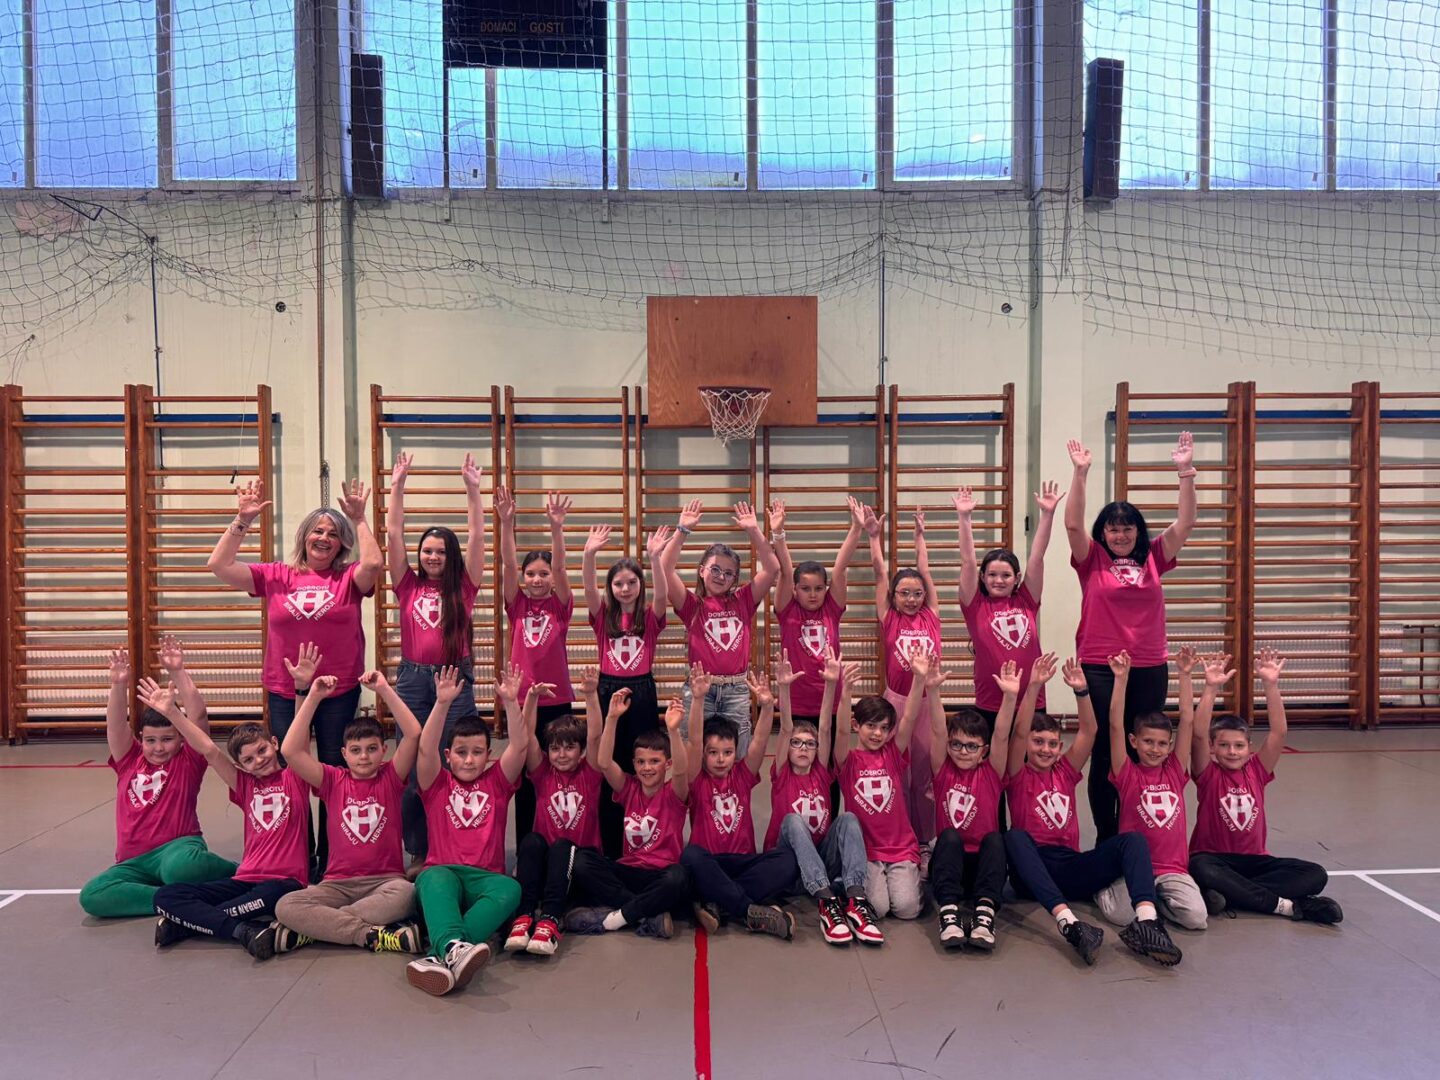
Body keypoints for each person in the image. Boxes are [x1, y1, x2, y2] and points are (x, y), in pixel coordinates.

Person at [207, 478, 382, 877]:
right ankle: (297, 856)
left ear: (341, 544)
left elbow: (373, 565)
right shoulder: (277, 575)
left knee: (335, 771)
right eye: (318, 531)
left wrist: (359, 518)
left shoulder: (348, 578)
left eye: (333, 534)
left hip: (337, 691)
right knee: (290, 772)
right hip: (286, 690)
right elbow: (219, 566)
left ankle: (333, 858)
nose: (324, 538)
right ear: (305, 536)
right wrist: (242, 520)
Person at [1002, 654, 1183, 967]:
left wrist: (1082, 691)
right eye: (1038, 742)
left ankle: (1148, 922)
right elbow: (1018, 733)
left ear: (1060, 748)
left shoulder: (1065, 771)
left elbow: (1089, 731)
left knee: (1133, 840)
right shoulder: (1018, 774)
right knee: (1014, 837)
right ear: (1027, 746)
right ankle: (1070, 924)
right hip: (1032, 869)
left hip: (1069, 865)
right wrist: (1033, 687)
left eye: (1053, 743)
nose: (1046, 749)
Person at [1064, 432, 1197, 841]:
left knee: (1143, 750)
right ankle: (1108, 839)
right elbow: (1072, 523)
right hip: (1100, 666)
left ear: (1138, 531)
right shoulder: (1092, 558)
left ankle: (1137, 833)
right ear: (1103, 533)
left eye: (1127, 529)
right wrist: (1080, 473)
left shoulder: (1155, 556)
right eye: (1113, 529)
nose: (1120, 536)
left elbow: (1186, 523)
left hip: (1148, 666)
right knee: (1106, 750)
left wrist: (1185, 472)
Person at [145, 638, 309, 959]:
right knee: (165, 896)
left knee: (271, 897)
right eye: (248, 759)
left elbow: (300, 738)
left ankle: (187, 926)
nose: (259, 760)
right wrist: (173, 713)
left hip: (284, 883)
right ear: (241, 766)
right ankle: (240, 930)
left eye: (262, 750)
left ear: (275, 744)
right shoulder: (244, 786)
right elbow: (208, 749)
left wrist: (301, 689)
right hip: (243, 879)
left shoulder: (296, 777)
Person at [270, 671, 423, 955]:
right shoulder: (332, 780)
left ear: (384, 750)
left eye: (371, 749)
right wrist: (313, 697)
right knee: (286, 905)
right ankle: (367, 934)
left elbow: (413, 733)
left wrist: (384, 689)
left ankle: (315, 930)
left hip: (385, 882)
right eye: (356, 750)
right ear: (344, 753)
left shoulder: (391, 777)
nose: (364, 756)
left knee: (407, 894)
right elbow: (290, 751)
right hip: (337, 884)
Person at [78, 647, 236, 920]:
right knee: (93, 895)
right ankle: (173, 899)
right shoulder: (129, 760)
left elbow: (198, 716)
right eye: (150, 740)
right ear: (141, 738)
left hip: (178, 850)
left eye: (167, 739)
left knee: (182, 869)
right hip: (133, 862)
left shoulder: (188, 760)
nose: (159, 748)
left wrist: (177, 670)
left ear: (181, 739)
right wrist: (118, 684)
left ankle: (242, 872)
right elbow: (116, 726)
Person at [1188, 650, 1343, 926]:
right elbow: (1198, 735)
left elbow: (1278, 733)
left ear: (1249, 748)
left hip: (1256, 863)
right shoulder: (1208, 774)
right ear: (1213, 748)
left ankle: (1232, 895)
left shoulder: (1257, 771)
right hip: (1215, 860)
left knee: (1316, 874)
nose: (1232, 752)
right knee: (1200, 867)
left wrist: (1271, 685)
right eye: (1224, 745)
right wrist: (1211, 687)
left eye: (1239, 746)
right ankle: (1284, 906)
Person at [385, 451, 486, 865]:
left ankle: (453, 845)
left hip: (454, 679)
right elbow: (393, 533)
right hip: (413, 682)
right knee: (411, 767)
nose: (432, 557)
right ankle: (418, 850)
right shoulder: (406, 584)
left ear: (451, 556)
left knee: (455, 760)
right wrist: (397, 485)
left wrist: (472, 490)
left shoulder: (464, 585)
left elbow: (477, 535)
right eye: (427, 551)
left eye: (441, 551)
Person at [404, 667, 528, 996]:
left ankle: (442, 953)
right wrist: (442, 703)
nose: (470, 760)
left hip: (486, 880)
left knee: (511, 888)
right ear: (448, 756)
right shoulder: (436, 783)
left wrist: (511, 702)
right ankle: (455, 950)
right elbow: (425, 749)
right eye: (461, 753)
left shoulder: (497, 782)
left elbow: (520, 747)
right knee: (431, 877)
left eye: (477, 753)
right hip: (444, 874)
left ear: (489, 755)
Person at [1094, 648, 1210, 931]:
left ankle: (1159, 901)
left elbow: (1187, 720)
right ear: (1134, 742)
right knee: (1123, 916)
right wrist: (1120, 680)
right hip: (1134, 869)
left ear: (1169, 746)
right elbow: (1114, 725)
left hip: (1173, 870)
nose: (1155, 749)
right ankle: (1100, 888)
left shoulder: (1174, 772)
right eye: (1147, 742)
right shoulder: (1127, 773)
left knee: (1196, 918)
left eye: (1161, 744)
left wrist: (1184, 675)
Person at [679, 665, 798, 939]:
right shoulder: (696, 779)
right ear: (704, 754)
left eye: (728, 752)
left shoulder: (742, 775)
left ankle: (718, 902)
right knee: (689, 856)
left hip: (743, 861)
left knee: (787, 860)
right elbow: (694, 740)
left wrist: (766, 707)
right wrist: (698, 699)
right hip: (709, 862)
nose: (721, 759)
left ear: (736, 753)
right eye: (713, 753)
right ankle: (748, 911)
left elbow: (760, 740)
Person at [767, 653, 879, 947]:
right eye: (796, 743)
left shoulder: (821, 773)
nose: (803, 748)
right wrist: (784, 689)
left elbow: (826, 727)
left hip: (822, 862)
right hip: (790, 868)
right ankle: (828, 903)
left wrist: (831, 684)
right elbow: (786, 727)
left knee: (848, 818)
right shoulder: (782, 774)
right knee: (793, 821)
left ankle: (855, 898)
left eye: (810, 744)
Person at [563, 690, 693, 940]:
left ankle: (616, 917)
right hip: (628, 871)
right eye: (641, 762)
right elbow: (603, 762)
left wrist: (673, 731)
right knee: (582, 862)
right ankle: (646, 914)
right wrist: (611, 718)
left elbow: (681, 771)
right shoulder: (629, 788)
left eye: (654, 761)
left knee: (678, 878)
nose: (647, 768)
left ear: (667, 764)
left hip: (661, 874)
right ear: (633, 764)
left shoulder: (673, 793)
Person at [658, 498, 780, 758]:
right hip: (700, 688)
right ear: (701, 571)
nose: (721, 576)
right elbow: (665, 569)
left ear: (735, 579)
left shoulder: (743, 601)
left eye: (728, 573)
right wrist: (682, 530)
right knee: (693, 754)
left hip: (736, 689)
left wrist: (754, 530)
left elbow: (772, 568)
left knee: (737, 755)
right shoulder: (692, 605)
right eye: (715, 569)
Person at [583, 522, 673, 858]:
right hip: (608, 691)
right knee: (609, 765)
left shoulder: (649, 618)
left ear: (640, 585)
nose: (625, 588)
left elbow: (662, 595)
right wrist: (589, 555)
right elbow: (588, 588)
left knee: (641, 763)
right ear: (611, 588)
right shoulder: (603, 617)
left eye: (632, 582)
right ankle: (610, 845)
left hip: (642, 692)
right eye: (618, 583)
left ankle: (644, 835)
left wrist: (656, 559)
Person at [504, 671, 605, 957]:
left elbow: (595, 736)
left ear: (581, 751)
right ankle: (524, 917)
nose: (561, 754)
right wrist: (531, 698)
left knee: (561, 846)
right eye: (555, 748)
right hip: (549, 870)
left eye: (570, 748)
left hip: (580, 867)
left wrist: (590, 695)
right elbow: (526, 737)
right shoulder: (543, 773)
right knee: (531, 841)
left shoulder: (590, 774)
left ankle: (550, 919)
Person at [496, 485, 577, 844]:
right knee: (524, 774)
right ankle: (528, 844)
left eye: (543, 574)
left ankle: (559, 837)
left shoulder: (560, 605)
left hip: (556, 701)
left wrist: (557, 527)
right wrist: (506, 522)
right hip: (521, 701)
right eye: (531, 574)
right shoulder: (517, 604)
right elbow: (508, 564)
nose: (537, 579)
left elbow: (560, 565)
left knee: (558, 769)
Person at [833, 649, 937, 926]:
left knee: (907, 909)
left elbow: (909, 718)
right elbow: (840, 732)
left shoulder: (892, 754)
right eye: (870, 726)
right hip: (868, 851)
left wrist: (918, 679)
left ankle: (907, 876)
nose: (877, 733)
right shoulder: (848, 761)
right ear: (856, 725)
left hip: (901, 848)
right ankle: (848, 878)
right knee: (877, 909)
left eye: (883, 728)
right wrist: (845, 693)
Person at [864, 502, 943, 850]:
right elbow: (880, 573)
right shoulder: (889, 617)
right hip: (895, 701)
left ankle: (925, 840)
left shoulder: (932, 615)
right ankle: (899, 835)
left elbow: (924, 569)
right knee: (898, 771)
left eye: (917, 594)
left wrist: (919, 537)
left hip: (926, 703)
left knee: (924, 776)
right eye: (904, 593)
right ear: (893, 597)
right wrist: (873, 537)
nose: (911, 599)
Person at [928, 660, 1019, 951]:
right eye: (956, 744)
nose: (963, 751)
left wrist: (1009, 697)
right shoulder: (943, 771)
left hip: (983, 867)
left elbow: (1002, 734)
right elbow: (938, 731)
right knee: (949, 837)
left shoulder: (991, 773)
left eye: (971, 746)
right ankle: (949, 914)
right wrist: (933, 691)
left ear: (984, 751)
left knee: (995, 839)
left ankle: (984, 914)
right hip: (950, 864)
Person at [954, 480, 1061, 723]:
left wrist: (1047, 514)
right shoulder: (975, 605)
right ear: (983, 577)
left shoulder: (1026, 600)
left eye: (1006, 575)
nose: (999, 580)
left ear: (1017, 578)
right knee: (996, 749)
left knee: (1030, 749)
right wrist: (964, 518)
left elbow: (1037, 557)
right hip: (992, 700)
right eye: (992, 575)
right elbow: (968, 562)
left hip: (1031, 697)